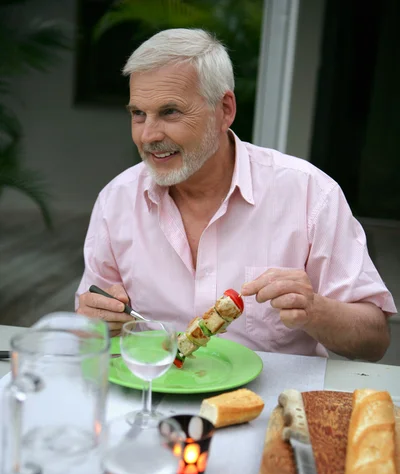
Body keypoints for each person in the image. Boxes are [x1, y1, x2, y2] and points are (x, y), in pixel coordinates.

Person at [76, 28, 396, 361]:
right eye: (138, 114)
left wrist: (315, 310)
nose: (148, 135)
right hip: (148, 396)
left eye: (170, 112)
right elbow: (92, 321)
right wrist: (94, 321)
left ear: (225, 109)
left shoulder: (310, 193)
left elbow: (374, 341)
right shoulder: (117, 200)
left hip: (272, 404)